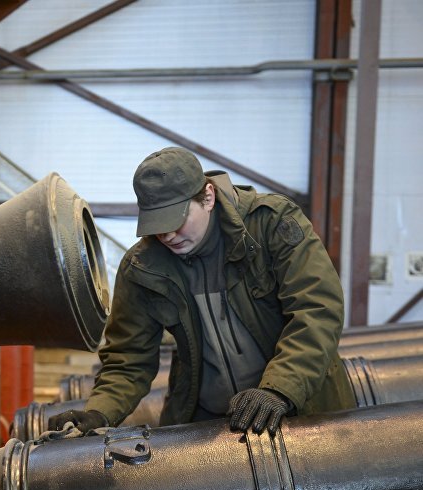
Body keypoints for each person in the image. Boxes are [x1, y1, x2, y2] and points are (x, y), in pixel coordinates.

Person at [49, 146, 355, 435]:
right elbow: (129, 358)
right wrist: (99, 412)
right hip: (207, 425)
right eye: (156, 224)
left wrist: (280, 388)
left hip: (302, 409)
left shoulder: (270, 224)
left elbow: (317, 311)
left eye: (175, 220)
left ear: (207, 197)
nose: (167, 235)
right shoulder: (143, 267)